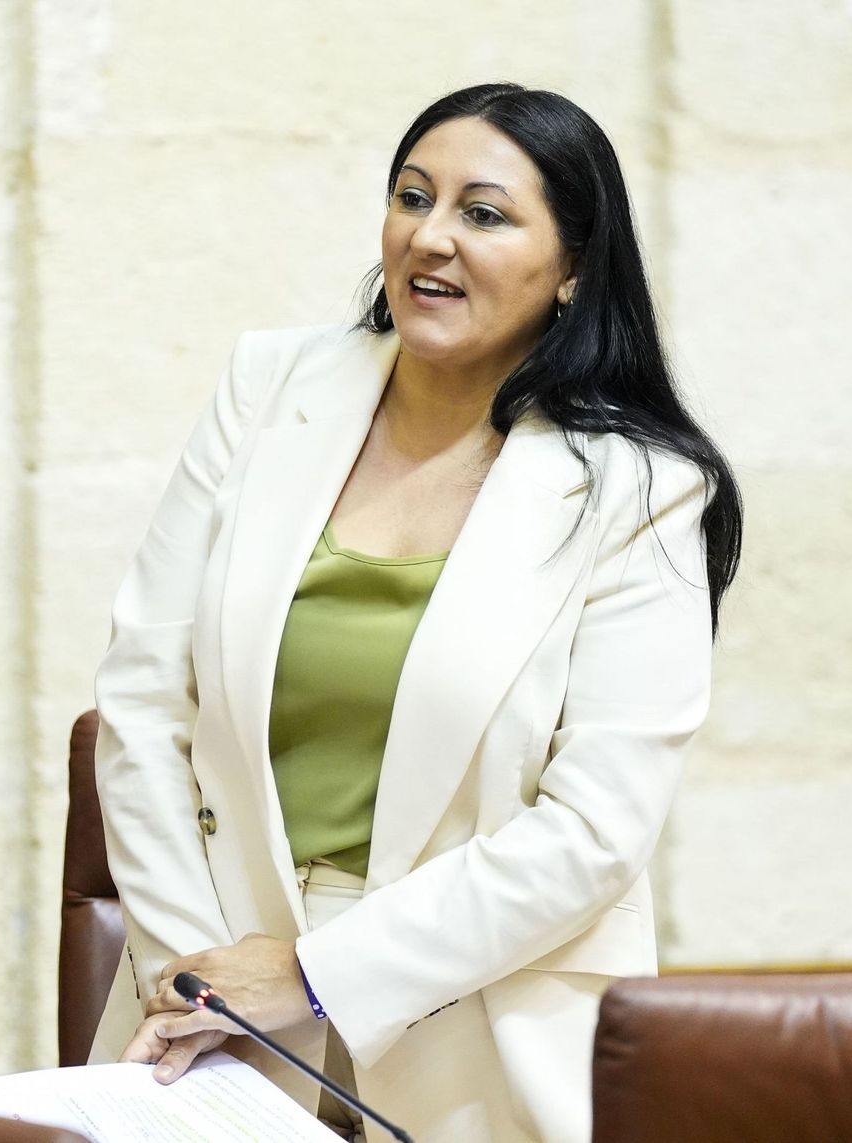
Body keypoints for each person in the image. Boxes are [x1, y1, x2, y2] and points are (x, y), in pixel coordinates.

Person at [86, 82, 743, 1143]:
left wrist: (309, 975)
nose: (430, 238)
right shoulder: (268, 385)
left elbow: (591, 832)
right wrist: (197, 978)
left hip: (477, 1029)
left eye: (482, 214)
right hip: (206, 1004)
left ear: (573, 266)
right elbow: (143, 703)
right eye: (411, 197)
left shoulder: (641, 488)